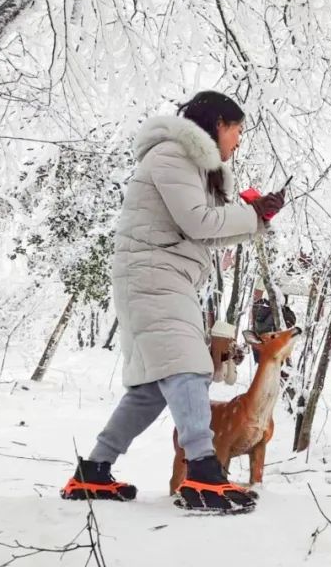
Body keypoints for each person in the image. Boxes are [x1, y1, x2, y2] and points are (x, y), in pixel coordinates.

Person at [60, 91, 287, 514]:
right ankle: (202, 469)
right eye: (237, 130)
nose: (238, 141)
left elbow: (204, 230)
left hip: (162, 277)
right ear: (220, 123)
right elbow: (198, 221)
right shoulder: (172, 155)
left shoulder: (189, 164)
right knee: (189, 367)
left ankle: (92, 471)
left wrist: (257, 218)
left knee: (149, 390)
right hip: (153, 275)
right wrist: (253, 217)